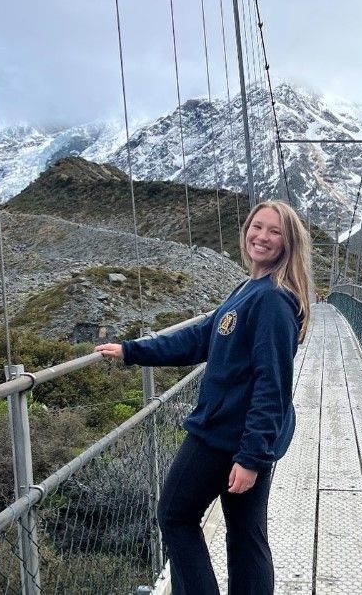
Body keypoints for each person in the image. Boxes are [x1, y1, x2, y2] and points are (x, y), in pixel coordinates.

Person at [95, 200, 312, 595]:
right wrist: (132, 351)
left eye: (274, 231)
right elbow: (201, 337)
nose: (261, 236)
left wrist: (250, 457)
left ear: (289, 243)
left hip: (227, 436)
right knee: (246, 534)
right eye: (256, 226)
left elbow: (273, 384)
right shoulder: (250, 288)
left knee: (175, 516)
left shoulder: (271, 300)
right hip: (242, 434)